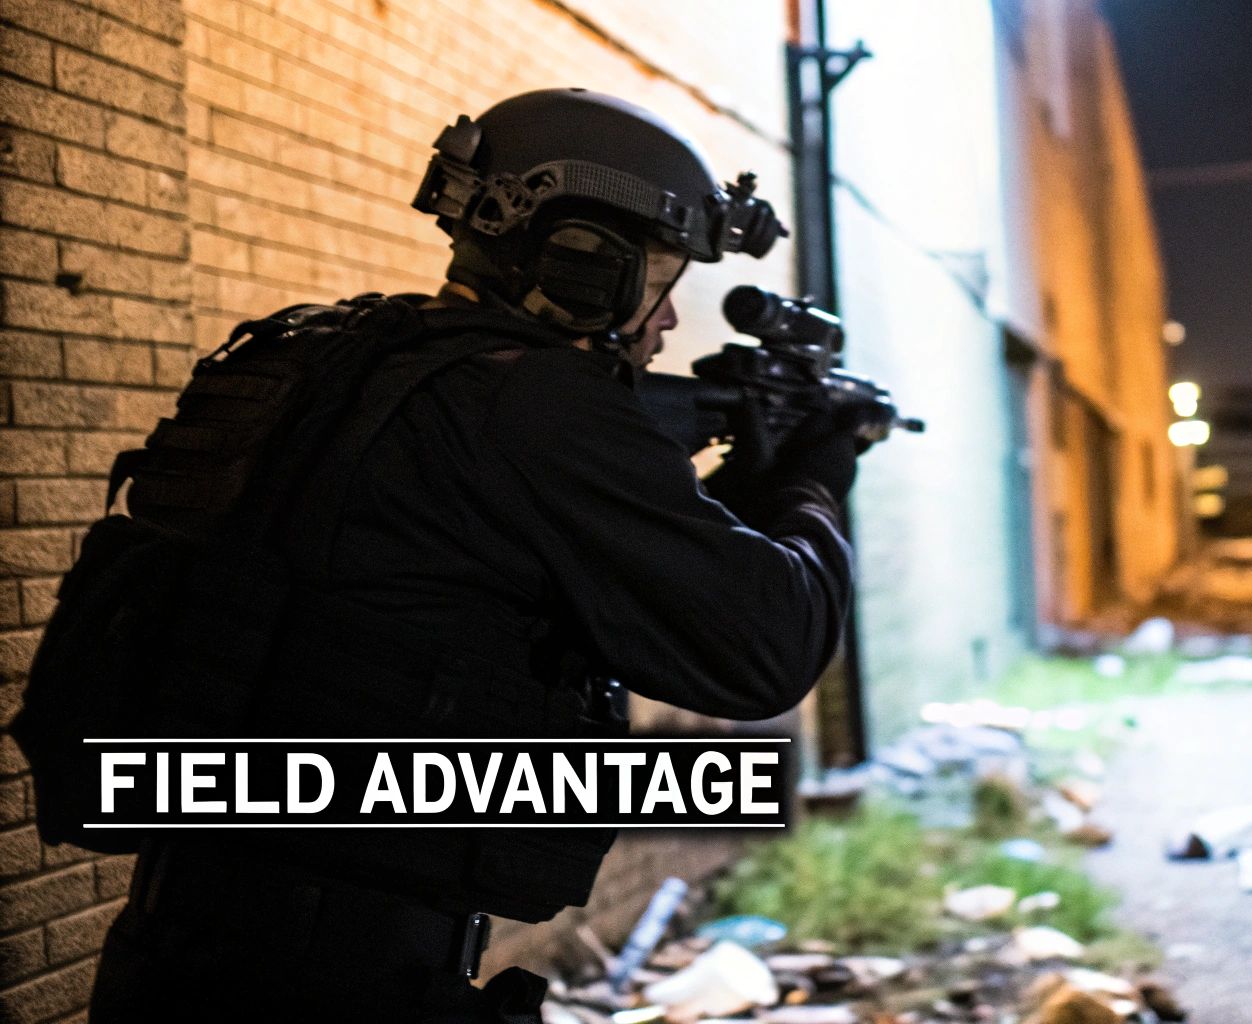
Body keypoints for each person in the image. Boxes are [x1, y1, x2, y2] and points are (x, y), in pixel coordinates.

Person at [88, 89, 859, 1022]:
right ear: (586, 266)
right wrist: (817, 477)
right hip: (343, 979)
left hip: (176, 950)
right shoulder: (534, 406)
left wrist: (747, 485)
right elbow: (766, 647)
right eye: (661, 282)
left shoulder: (336, 358)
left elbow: (606, 581)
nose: (664, 324)